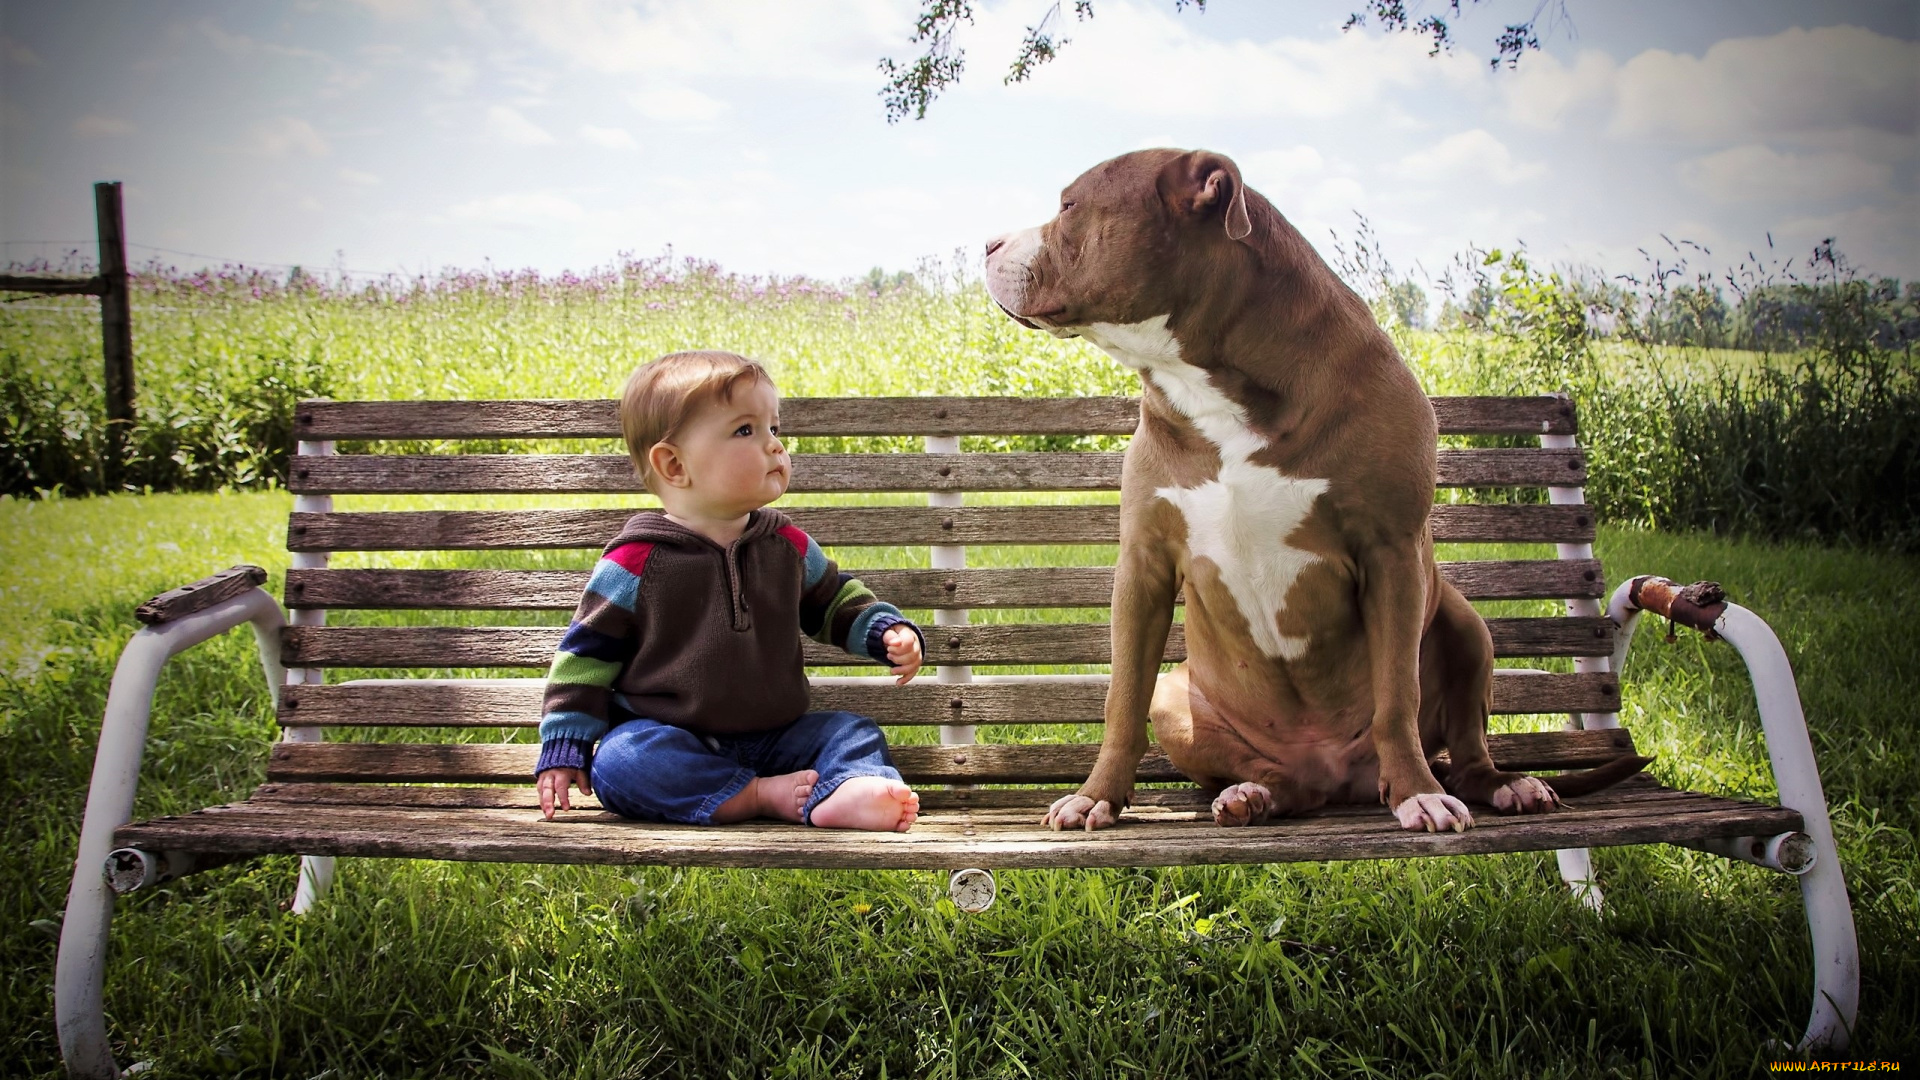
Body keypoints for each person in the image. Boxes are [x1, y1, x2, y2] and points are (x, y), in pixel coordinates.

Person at [533, 350, 924, 831]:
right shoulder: (636, 562)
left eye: (774, 430)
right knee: (620, 760)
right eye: (746, 431)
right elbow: (586, 654)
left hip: (780, 738)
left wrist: (884, 630)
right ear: (674, 465)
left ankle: (845, 790)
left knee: (851, 731)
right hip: (673, 738)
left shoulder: (787, 547)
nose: (774, 447)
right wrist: (566, 740)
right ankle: (759, 795)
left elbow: (834, 600)